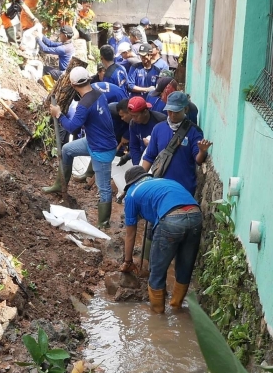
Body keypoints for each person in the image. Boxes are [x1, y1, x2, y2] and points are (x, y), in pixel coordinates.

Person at [120, 166, 203, 313]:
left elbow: (130, 234)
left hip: (171, 219)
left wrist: (127, 262)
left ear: (129, 183)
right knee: (185, 266)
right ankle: (176, 307)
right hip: (196, 215)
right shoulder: (163, 182)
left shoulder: (131, 194)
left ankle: (157, 315)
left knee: (157, 270)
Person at [46, 67, 118, 227]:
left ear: (72, 85)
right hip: (94, 141)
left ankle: (103, 222)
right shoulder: (98, 93)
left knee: (104, 187)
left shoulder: (84, 105)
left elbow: (72, 128)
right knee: (67, 150)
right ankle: (60, 184)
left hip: (102, 149)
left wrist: (58, 114)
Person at [141, 91, 212, 195]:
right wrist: (140, 178)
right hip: (161, 187)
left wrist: (202, 151)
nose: (172, 115)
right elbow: (149, 156)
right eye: (170, 111)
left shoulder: (194, 131)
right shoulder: (158, 129)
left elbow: (198, 160)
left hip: (184, 188)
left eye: (177, 111)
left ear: (186, 109)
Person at [126, 97, 166, 165]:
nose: (133, 119)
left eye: (136, 116)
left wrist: (152, 145)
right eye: (131, 116)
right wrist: (137, 165)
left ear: (145, 112)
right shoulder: (133, 124)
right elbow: (134, 146)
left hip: (161, 159)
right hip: (145, 158)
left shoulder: (161, 121)